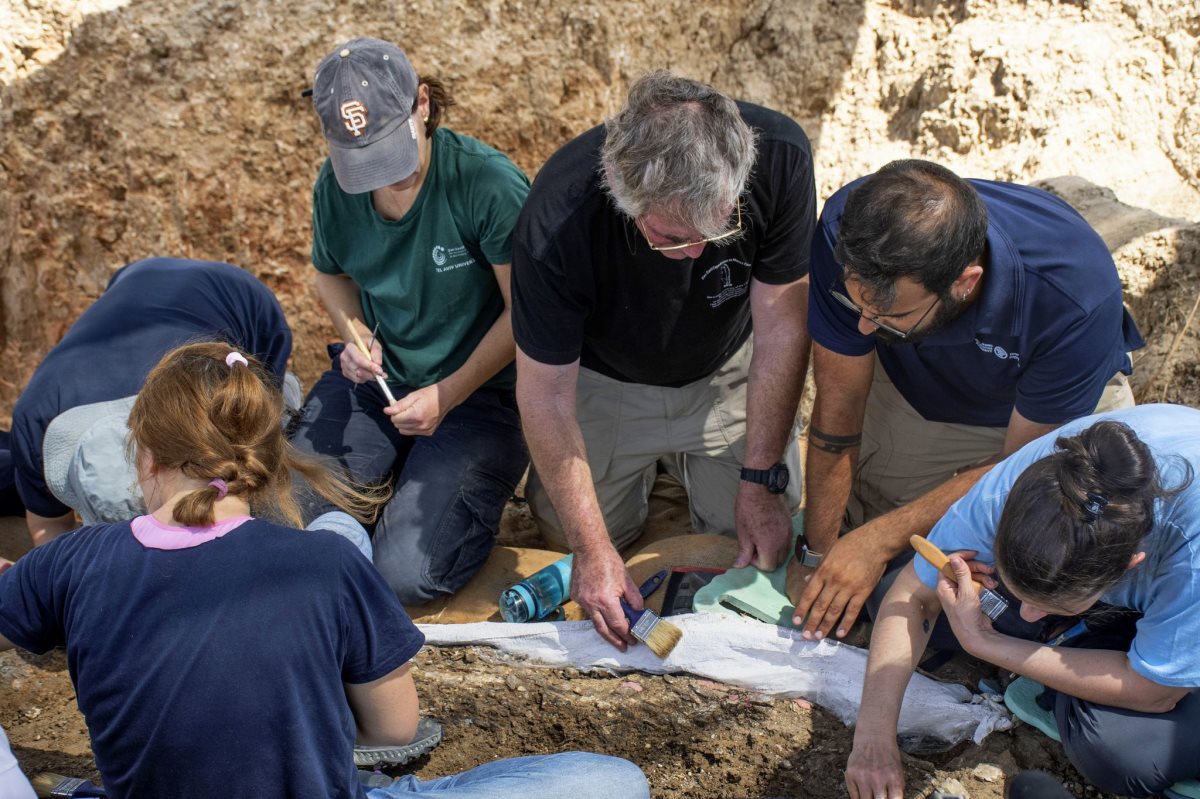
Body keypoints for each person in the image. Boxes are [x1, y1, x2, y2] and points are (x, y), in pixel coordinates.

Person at [0, 342, 651, 798]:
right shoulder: (324, 564)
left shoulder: (68, 563)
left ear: (145, 455)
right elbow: (396, 730)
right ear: (265, 454)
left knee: (338, 534)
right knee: (615, 782)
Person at [512, 71, 814, 649]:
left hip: (726, 369)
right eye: (673, 237)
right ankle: (659, 477)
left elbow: (780, 324)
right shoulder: (556, 219)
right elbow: (545, 395)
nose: (698, 252)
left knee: (755, 540)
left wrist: (760, 478)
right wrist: (592, 549)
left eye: (720, 227)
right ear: (622, 192)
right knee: (572, 541)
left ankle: (687, 475)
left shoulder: (781, 155)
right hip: (604, 379)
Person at [788, 159, 1143, 642]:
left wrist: (876, 541)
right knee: (874, 525)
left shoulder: (1072, 292)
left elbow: (1020, 466)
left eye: (889, 314)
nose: (864, 328)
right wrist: (818, 555)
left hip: (1056, 411)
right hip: (925, 389)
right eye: (856, 304)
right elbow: (838, 409)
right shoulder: (850, 229)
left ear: (965, 281)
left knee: (1044, 564)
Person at [846, 404, 1200, 799]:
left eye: (1053, 604)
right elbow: (913, 594)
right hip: (1103, 584)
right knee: (900, 597)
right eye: (1022, 593)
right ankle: (1068, 642)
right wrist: (873, 738)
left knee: (1122, 753)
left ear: (1129, 567)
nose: (1028, 613)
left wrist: (988, 643)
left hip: (1183, 601)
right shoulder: (1021, 488)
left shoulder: (1191, 556)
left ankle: (1087, 646)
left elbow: (1156, 692)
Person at [290, 37, 529, 604]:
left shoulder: (487, 184)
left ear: (422, 103)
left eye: (390, 148)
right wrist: (356, 334)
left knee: (407, 577)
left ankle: (410, 490)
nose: (381, 176)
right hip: (379, 380)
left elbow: (529, 316)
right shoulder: (334, 186)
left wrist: (447, 394)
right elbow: (332, 275)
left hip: (480, 394)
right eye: (361, 160)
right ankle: (382, 483)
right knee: (284, 521)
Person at [10, 257, 292, 547]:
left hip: (243, 298)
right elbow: (49, 525)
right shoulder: (35, 422)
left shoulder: (207, 394)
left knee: (259, 428)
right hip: (137, 278)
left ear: (153, 462)